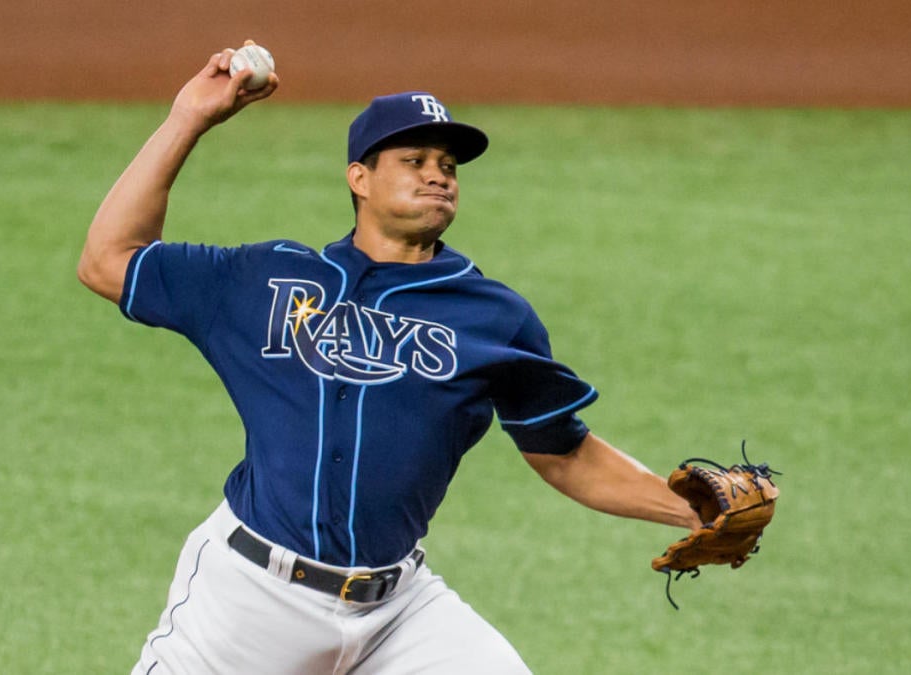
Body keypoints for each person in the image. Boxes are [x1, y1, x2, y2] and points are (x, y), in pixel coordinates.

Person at [78, 43, 701, 675]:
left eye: (448, 166)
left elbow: (564, 452)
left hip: (397, 613)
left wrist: (692, 507)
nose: (438, 175)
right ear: (360, 178)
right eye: (415, 161)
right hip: (248, 603)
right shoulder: (262, 279)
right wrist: (189, 117)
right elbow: (106, 259)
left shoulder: (493, 315)